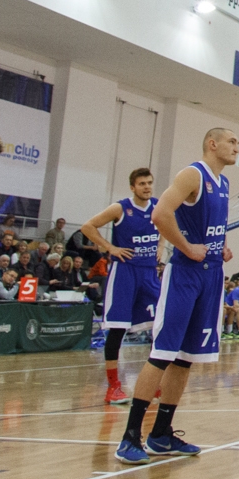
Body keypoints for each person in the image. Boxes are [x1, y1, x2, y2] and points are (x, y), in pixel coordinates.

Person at [114, 128, 236, 464]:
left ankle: (161, 434)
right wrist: (186, 247)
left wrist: (221, 246)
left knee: (185, 358)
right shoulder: (192, 174)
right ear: (212, 144)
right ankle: (130, 436)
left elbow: (213, 226)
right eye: (231, 141)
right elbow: (160, 215)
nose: (236, 147)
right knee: (163, 353)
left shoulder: (224, 183)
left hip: (211, 274)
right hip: (185, 274)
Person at [80, 167, 162, 405]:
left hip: (149, 273)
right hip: (125, 273)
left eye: (149, 182)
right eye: (142, 183)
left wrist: (160, 246)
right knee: (117, 330)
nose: (147, 187)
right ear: (132, 187)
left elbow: (165, 226)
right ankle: (113, 386)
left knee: (159, 328)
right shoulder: (120, 208)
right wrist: (110, 248)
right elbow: (88, 226)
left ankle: (152, 384)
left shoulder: (158, 206)